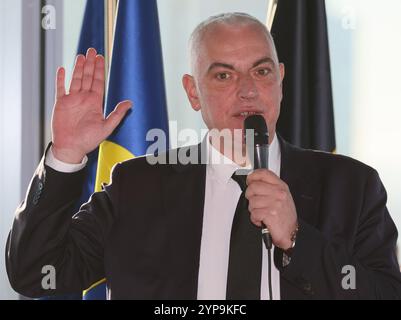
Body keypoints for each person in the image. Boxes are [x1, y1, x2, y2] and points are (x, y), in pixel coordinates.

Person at [6, 13, 401, 300]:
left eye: (261, 72)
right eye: (224, 75)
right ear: (193, 92)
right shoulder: (137, 187)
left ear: (281, 79)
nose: (248, 91)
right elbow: (38, 274)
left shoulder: (351, 186)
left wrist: (298, 240)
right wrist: (67, 155)